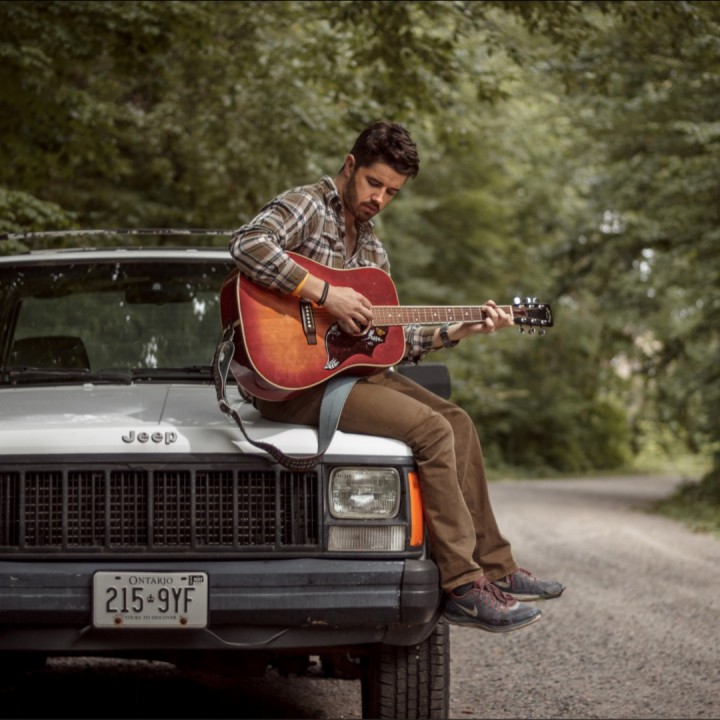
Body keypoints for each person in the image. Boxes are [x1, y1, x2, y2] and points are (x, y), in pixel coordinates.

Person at [229, 120, 564, 633]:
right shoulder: (309, 205)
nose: (379, 199)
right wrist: (325, 294)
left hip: (347, 375)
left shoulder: (372, 249)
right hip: (291, 383)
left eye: (392, 192)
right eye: (374, 184)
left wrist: (458, 330)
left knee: (457, 423)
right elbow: (247, 244)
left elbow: (389, 342)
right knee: (430, 430)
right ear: (350, 166)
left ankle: (497, 567)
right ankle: (462, 586)